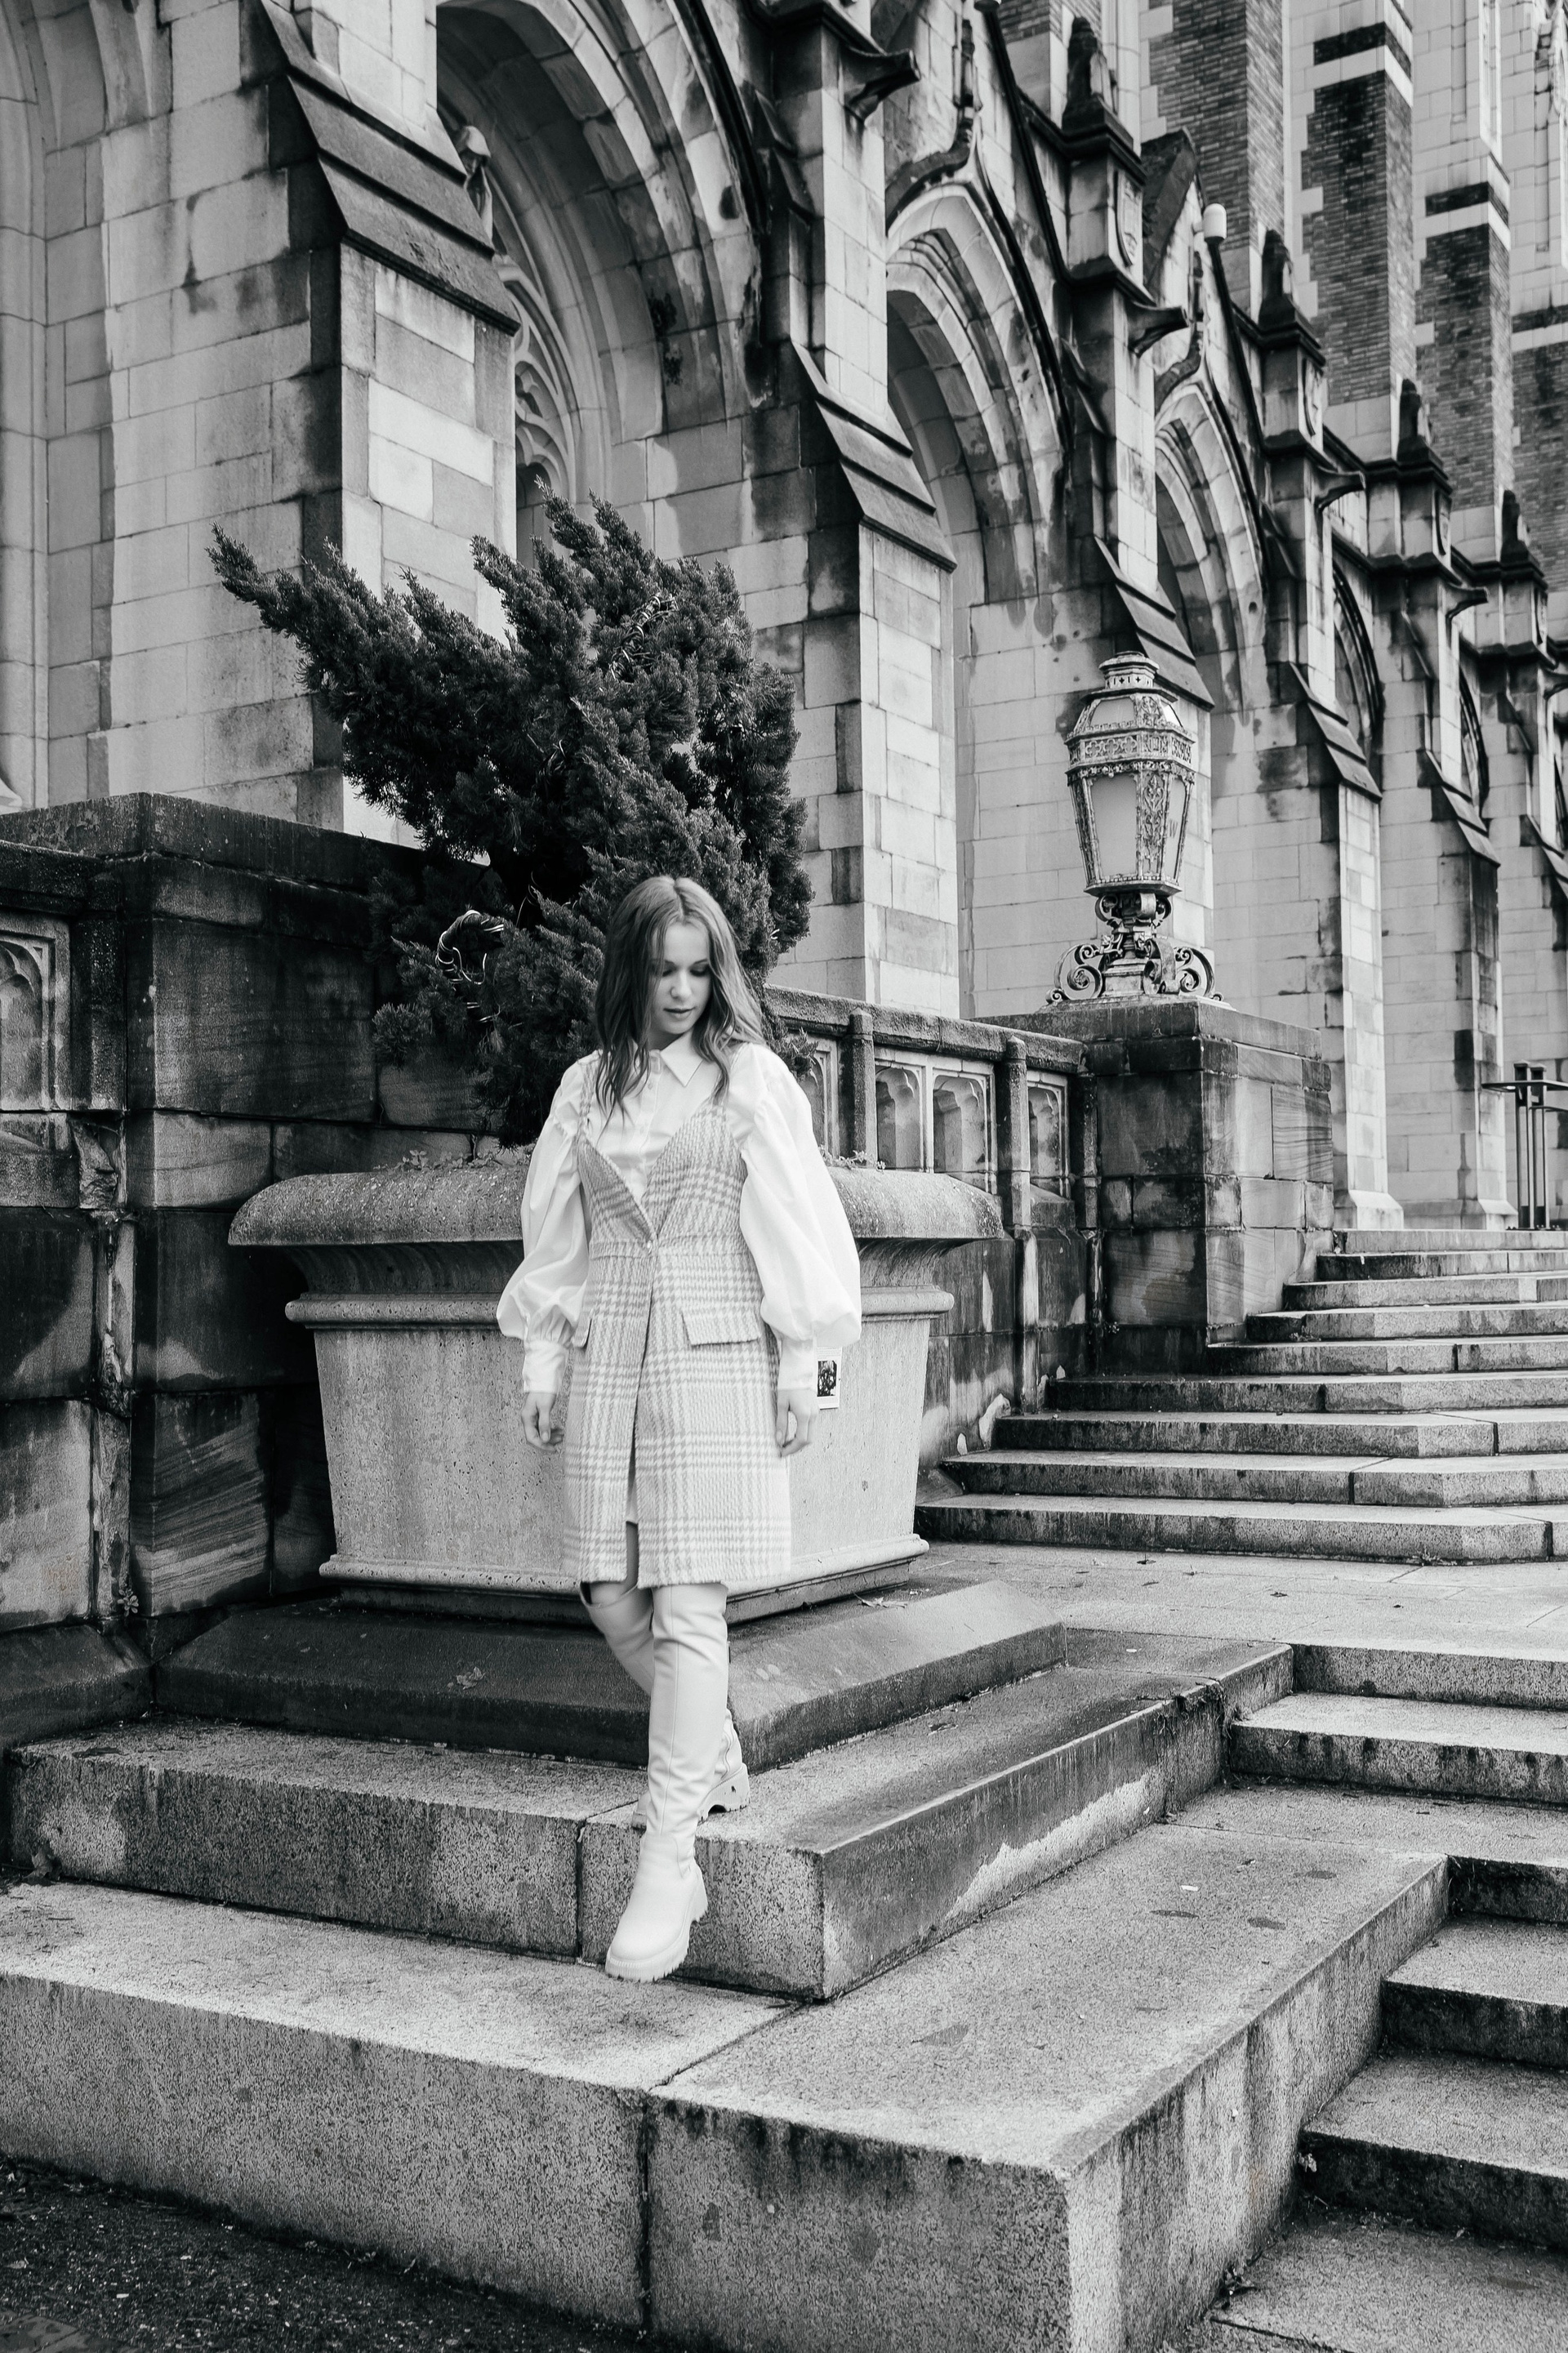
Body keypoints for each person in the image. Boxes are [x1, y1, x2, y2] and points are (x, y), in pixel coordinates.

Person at [497, 876, 862, 1981]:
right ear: (631, 970)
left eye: (701, 969)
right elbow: (557, 1235)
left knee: (690, 1600)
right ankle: (711, 1749)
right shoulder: (586, 1087)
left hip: (714, 1356)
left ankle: (670, 1858)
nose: (683, 990)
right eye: (663, 968)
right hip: (611, 1346)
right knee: (607, 1588)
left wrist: (807, 1366)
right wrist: (543, 1355)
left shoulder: (749, 1077)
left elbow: (802, 1227)